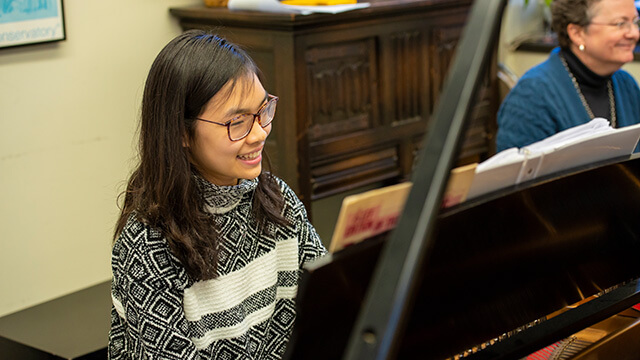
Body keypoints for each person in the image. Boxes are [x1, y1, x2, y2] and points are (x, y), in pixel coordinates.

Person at [108, 30, 327, 359]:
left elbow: (330, 305)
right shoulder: (148, 243)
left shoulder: (278, 203)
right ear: (181, 132)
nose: (259, 133)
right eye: (237, 122)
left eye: (263, 111)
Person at [496, 0, 640, 152]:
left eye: (635, 22)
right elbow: (514, 173)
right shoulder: (531, 96)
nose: (634, 33)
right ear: (577, 33)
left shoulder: (626, 84)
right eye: (620, 24)